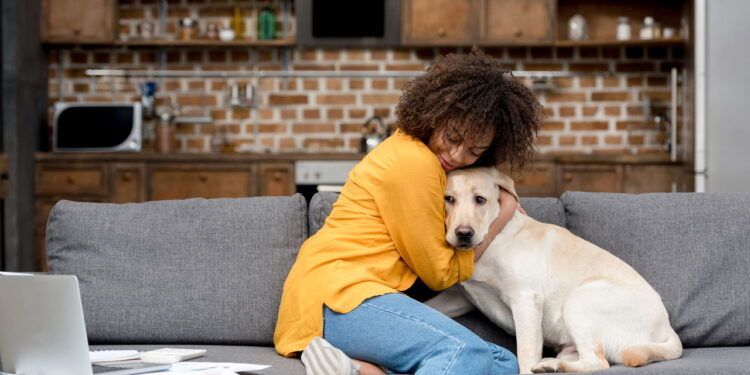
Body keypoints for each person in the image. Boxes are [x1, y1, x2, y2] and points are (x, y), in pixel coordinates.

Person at [274, 49, 543, 375]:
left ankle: (355, 371)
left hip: (357, 299)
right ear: (435, 114)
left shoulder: (420, 157)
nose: (457, 155)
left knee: (503, 363)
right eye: (453, 137)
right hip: (339, 297)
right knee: (462, 351)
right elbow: (440, 273)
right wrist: (504, 212)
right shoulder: (413, 163)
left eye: (474, 151)